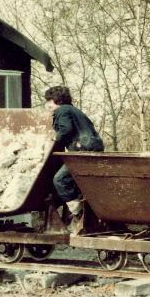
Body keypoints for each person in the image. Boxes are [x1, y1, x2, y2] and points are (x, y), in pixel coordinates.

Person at [44, 86, 104, 220]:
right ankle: (90, 213)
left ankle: (79, 213)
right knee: (80, 183)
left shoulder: (62, 110)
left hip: (82, 151)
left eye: (49, 101)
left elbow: (65, 129)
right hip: (93, 148)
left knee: (60, 180)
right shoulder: (75, 110)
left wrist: (54, 139)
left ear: (57, 100)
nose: (47, 104)